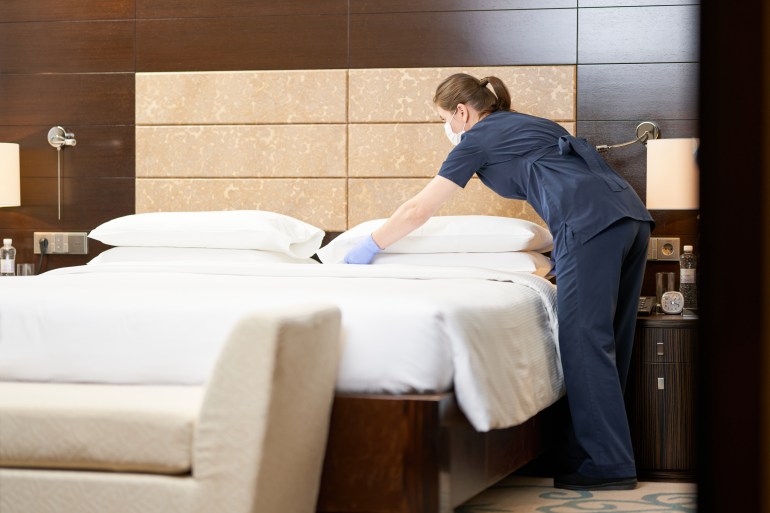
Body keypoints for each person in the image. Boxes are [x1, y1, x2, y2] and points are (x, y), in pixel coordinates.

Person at [343, 73, 654, 491]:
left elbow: (419, 210)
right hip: (630, 217)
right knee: (608, 339)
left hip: (588, 225)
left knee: (583, 340)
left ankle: (607, 465)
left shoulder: (477, 139)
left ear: (461, 111)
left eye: (444, 118)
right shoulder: (529, 123)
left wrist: (369, 245)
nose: (446, 129)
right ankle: (590, 454)